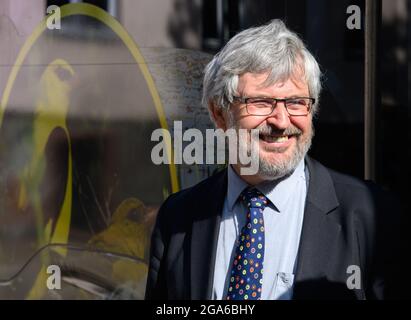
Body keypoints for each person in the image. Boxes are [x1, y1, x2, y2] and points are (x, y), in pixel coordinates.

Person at [145, 19, 404, 300]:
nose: (281, 121)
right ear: (220, 113)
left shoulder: (371, 216)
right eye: (261, 102)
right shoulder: (178, 218)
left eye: (296, 102)